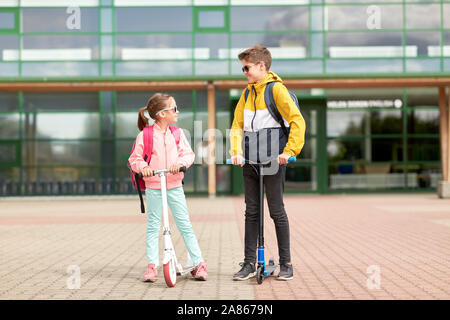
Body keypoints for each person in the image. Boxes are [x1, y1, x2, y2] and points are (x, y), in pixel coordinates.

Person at [229, 45, 306, 281]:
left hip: (274, 159)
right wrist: (236, 151)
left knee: (276, 211)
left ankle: (286, 264)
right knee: (251, 212)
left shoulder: (277, 90)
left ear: (261, 66)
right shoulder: (247, 93)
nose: (244, 73)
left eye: (247, 68)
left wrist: (289, 151)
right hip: (251, 161)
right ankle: (249, 263)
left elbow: (297, 121)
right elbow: (237, 126)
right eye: (242, 68)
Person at [128, 93, 207, 282]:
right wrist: (144, 168)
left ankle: (199, 263)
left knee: (184, 224)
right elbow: (134, 159)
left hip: (174, 185)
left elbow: (189, 154)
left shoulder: (177, 133)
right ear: (162, 114)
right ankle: (152, 266)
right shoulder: (145, 135)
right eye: (174, 108)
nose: (177, 111)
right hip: (154, 186)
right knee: (154, 225)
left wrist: (180, 163)